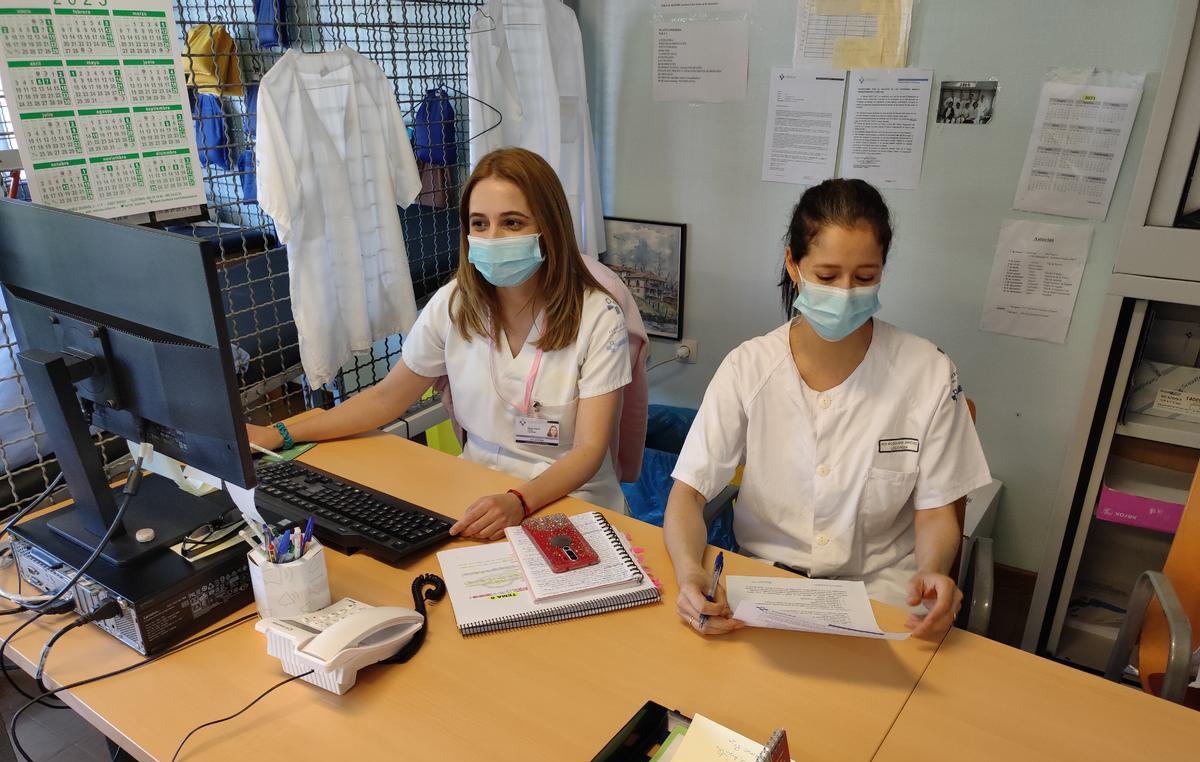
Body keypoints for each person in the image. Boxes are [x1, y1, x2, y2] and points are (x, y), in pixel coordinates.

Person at [665, 179, 990, 642]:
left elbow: (938, 509)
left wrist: (935, 570)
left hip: (883, 597)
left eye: (864, 277)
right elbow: (689, 494)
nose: (845, 293)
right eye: (827, 275)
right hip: (768, 590)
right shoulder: (748, 367)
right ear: (793, 265)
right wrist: (689, 574)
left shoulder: (929, 373)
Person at [247, 148, 632, 539]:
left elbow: (588, 451)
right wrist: (280, 433)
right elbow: (385, 399)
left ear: (548, 228)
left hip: (572, 502)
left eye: (512, 223)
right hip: (474, 490)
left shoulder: (600, 317)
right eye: (479, 224)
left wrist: (519, 500)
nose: (492, 238)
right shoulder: (455, 304)